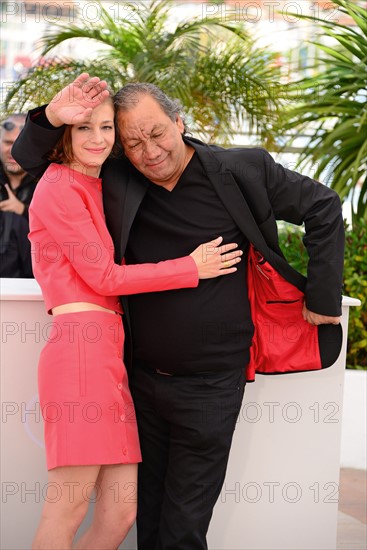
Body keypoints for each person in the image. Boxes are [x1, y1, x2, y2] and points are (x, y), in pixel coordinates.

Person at [12, 74, 345, 550]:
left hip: (211, 384)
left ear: (179, 122)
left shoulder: (239, 170)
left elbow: (325, 206)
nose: (149, 151)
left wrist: (322, 299)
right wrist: (50, 116)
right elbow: (34, 160)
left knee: (182, 527)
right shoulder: (118, 178)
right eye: (132, 142)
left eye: (157, 134)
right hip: (136, 378)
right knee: (137, 519)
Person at [22, 92, 242, 550]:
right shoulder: (57, 185)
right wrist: (190, 268)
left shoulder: (101, 186)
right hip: (80, 356)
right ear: (64, 132)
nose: (98, 138)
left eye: (107, 128)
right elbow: (103, 275)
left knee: (121, 513)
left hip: (113, 360)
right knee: (68, 506)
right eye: (84, 127)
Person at [0, 114, 37, 277]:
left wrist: (23, 210)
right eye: (8, 143)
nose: (13, 150)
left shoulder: (47, 179)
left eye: (20, 144)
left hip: (33, 288)